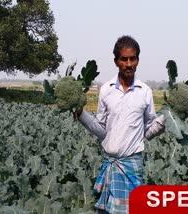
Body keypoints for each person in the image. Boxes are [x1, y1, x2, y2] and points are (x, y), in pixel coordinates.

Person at [75, 35, 165, 213]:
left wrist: (166, 120)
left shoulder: (145, 91)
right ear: (116, 62)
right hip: (110, 163)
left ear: (138, 60)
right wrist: (80, 114)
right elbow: (102, 130)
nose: (129, 63)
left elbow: (149, 128)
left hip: (132, 165)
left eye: (133, 59)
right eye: (124, 59)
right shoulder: (106, 90)